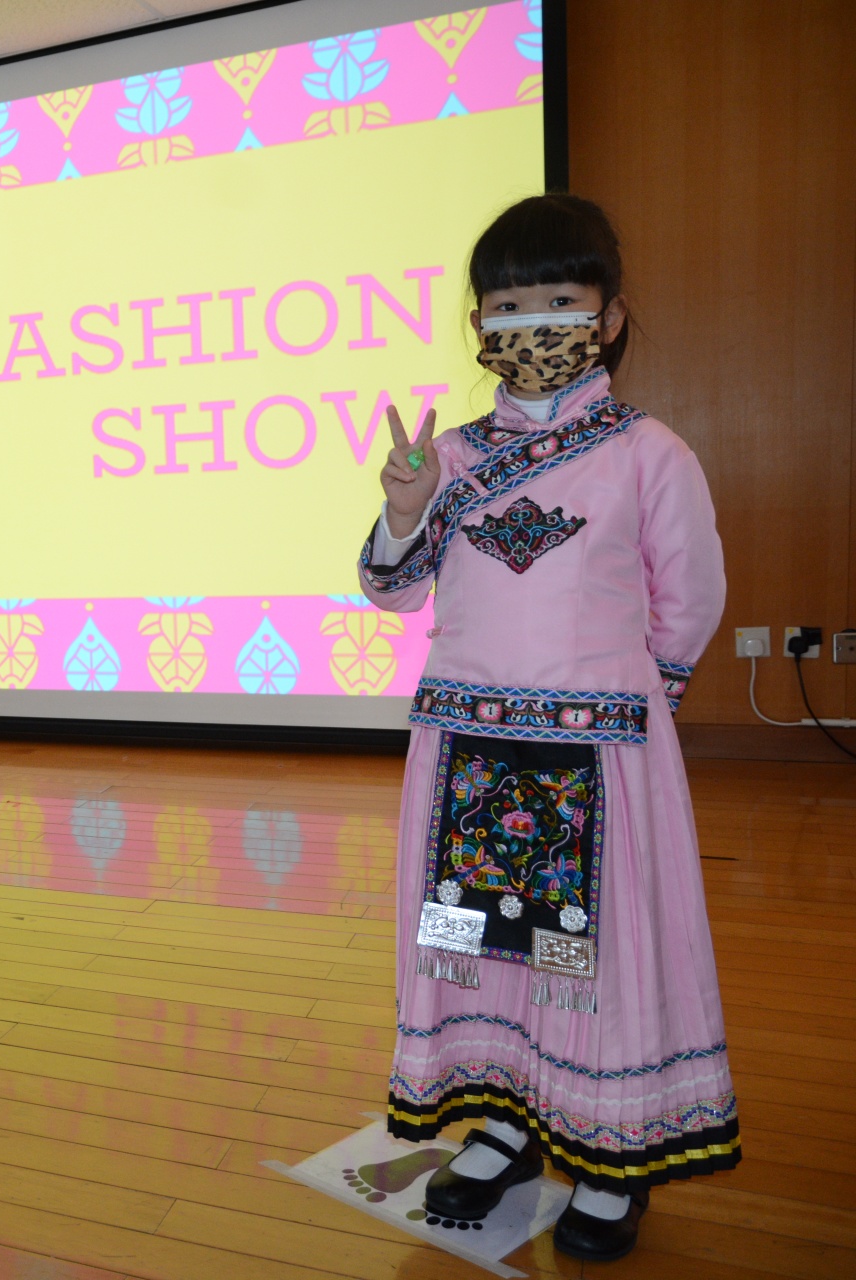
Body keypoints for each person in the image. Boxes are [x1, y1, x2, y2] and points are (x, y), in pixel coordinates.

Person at [357, 194, 737, 1264]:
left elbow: (691, 599)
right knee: (483, 947)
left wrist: (632, 705)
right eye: (509, 305)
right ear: (481, 323)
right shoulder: (450, 456)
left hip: (594, 754)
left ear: (607, 317)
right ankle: (507, 1120)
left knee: (587, 957)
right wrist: (405, 508)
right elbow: (393, 589)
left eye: (559, 300)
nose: (533, 324)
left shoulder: (650, 452)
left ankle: (612, 1146)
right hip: (467, 750)